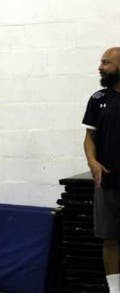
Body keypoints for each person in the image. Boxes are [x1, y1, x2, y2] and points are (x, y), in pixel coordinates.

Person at [82, 47, 120, 293]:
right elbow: (89, 137)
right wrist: (93, 162)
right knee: (110, 239)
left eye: (105, 63)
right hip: (107, 181)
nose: (100, 67)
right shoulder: (98, 99)